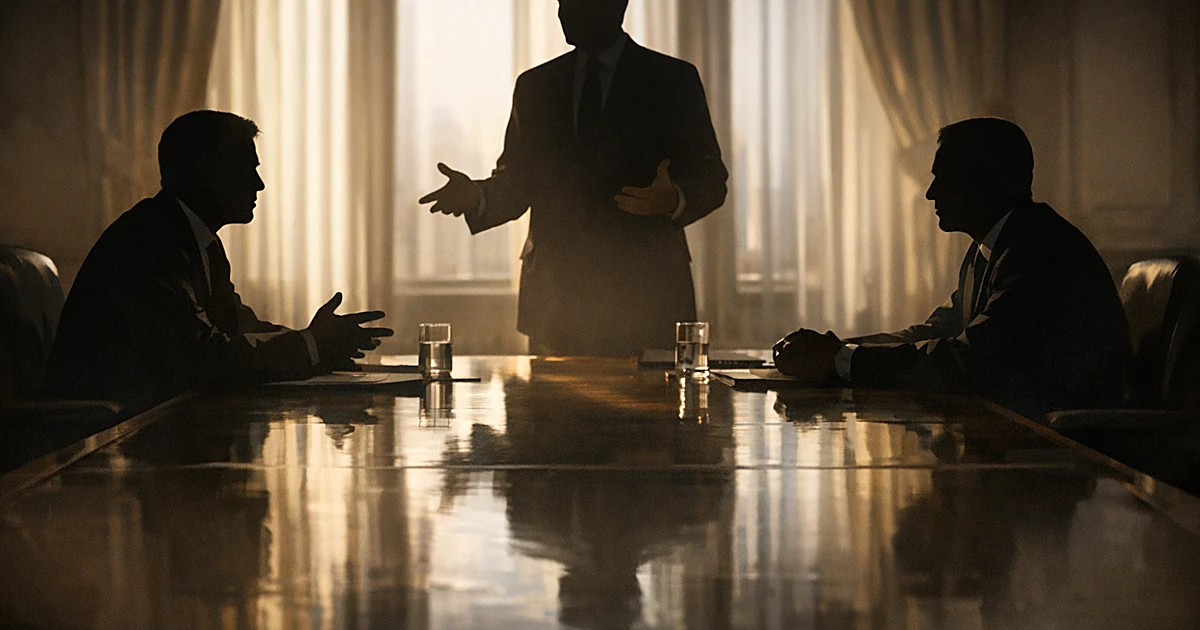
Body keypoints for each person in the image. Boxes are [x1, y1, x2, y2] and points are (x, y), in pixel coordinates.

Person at [418, 0, 728, 356]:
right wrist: (477, 195)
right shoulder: (535, 86)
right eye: (561, 2)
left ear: (617, 5)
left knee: (653, 410)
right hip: (556, 301)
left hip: (646, 296)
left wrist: (674, 199)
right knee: (546, 409)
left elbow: (710, 177)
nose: (563, 13)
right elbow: (519, 180)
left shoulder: (673, 80)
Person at [773, 117, 1132, 418]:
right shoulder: (996, 245)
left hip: (1063, 449)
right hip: (1014, 430)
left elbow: (966, 359)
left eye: (943, 177)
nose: (930, 193)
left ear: (987, 181)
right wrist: (835, 349)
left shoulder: (1040, 251)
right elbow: (933, 332)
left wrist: (839, 359)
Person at [46, 110, 393, 413]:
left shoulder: (193, 237)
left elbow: (236, 327)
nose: (259, 184)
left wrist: (316, 343)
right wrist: (311, 345)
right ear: (206, 173)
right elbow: (202, 358)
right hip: (105, 445)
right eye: (247, 171)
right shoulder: (150, 241)